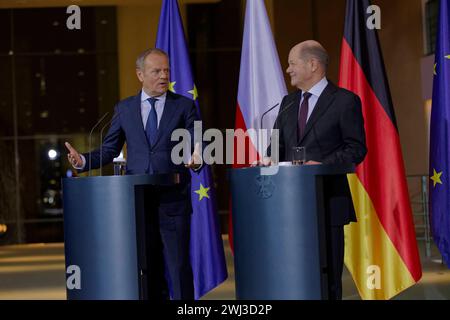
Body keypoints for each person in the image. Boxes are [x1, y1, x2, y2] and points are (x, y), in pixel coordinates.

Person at [65, 48, 202, 300]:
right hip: (137, 204)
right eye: (156, 71)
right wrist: (83, 160)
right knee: (146, 268)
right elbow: (109, 149)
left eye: (166, 71)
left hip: (172, 200)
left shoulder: (183, 106)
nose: (164, 76)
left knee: (178, 266)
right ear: (140, 74)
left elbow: (196, 139)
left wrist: (196, 156)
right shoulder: (125, 108)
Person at [266, 40, 367, 299]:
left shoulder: (344, 101)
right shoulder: (288, 103)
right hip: (288, 208)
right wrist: (268, 160)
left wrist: (322, 166)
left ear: (313, 64)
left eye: (291, 63)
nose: (287, 69)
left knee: (327, 278)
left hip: (327, 203)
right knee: (293, 276)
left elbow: (356, 149)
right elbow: (275, 148)